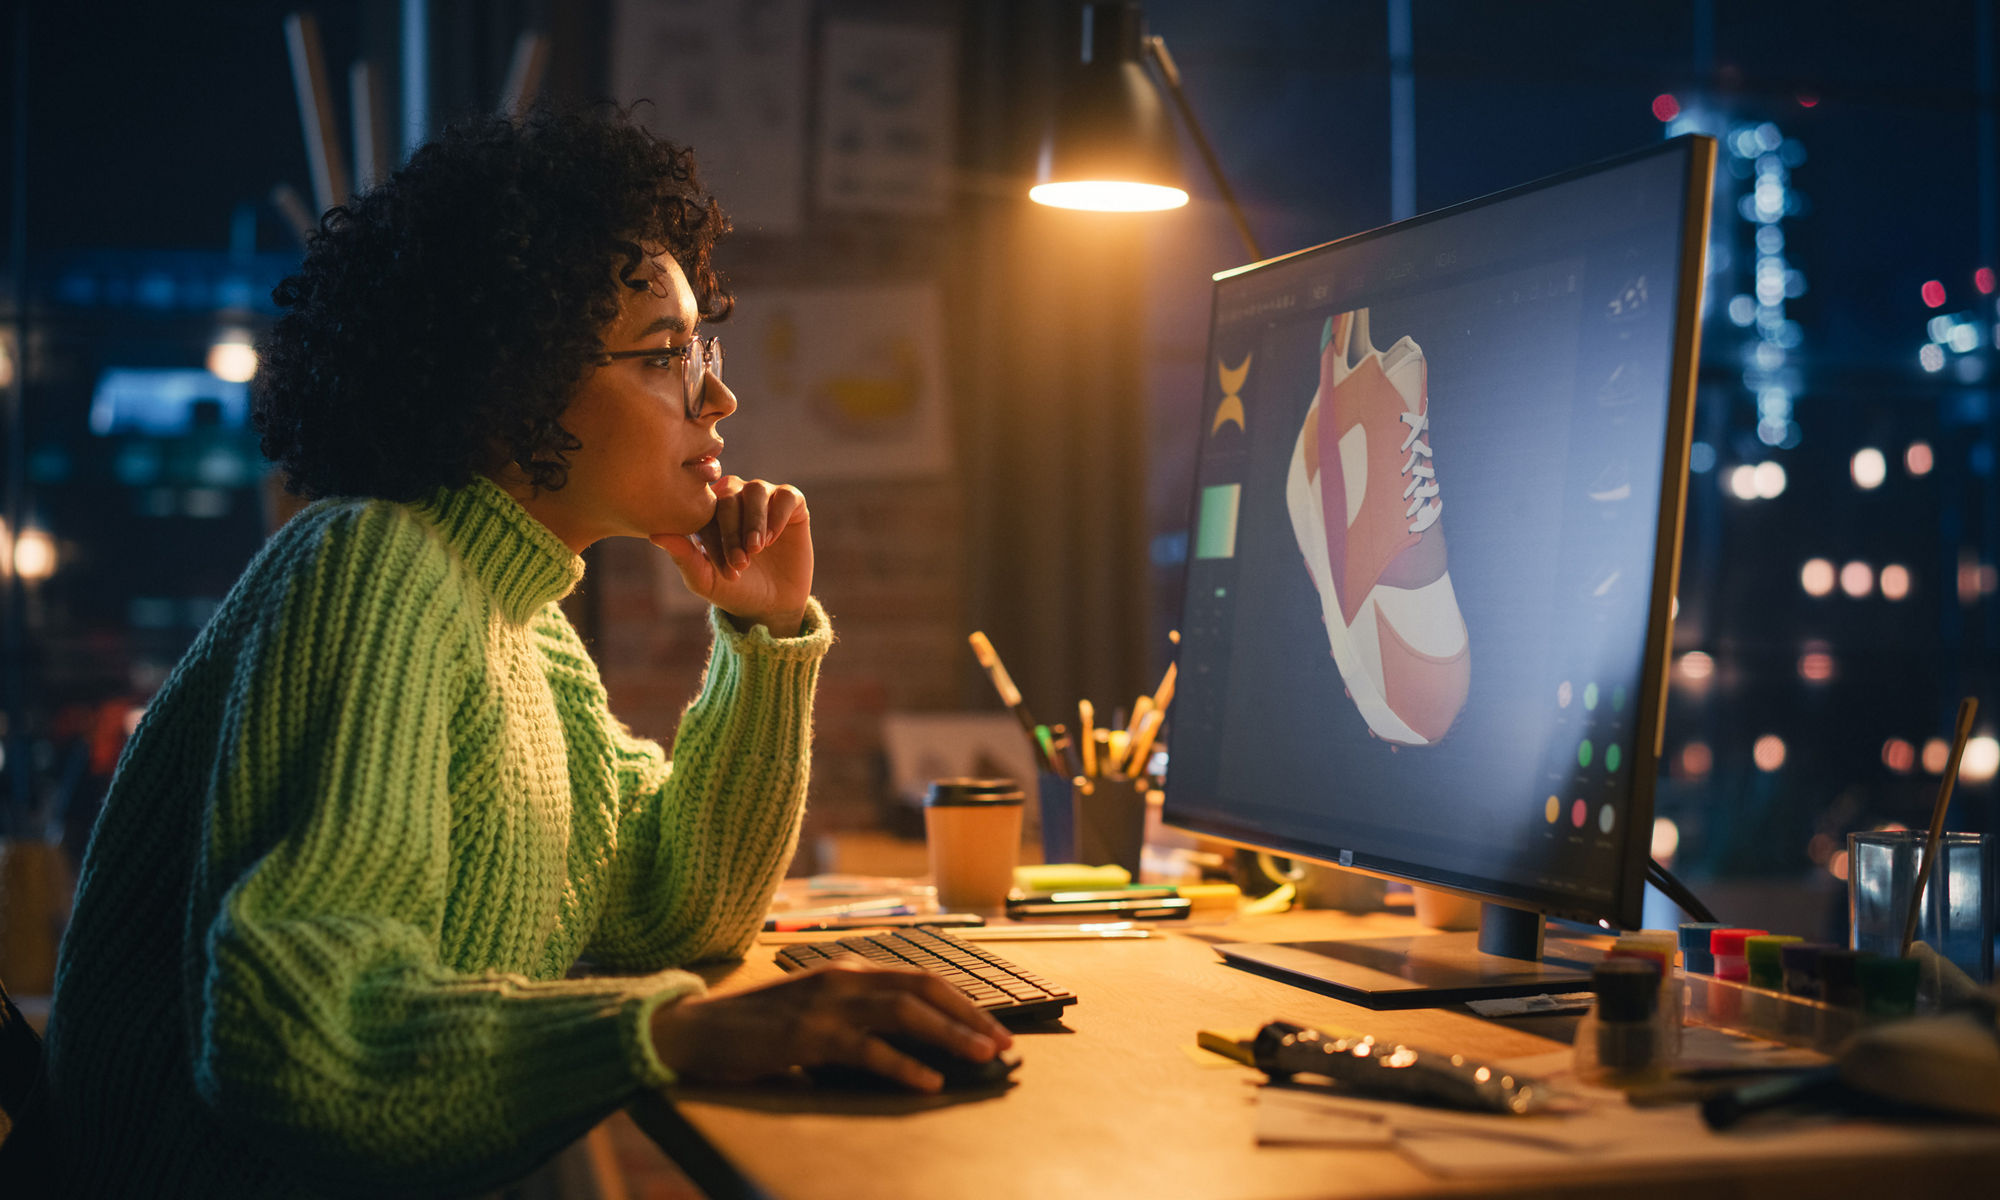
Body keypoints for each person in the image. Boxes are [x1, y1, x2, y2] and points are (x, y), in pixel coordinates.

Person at [42, 108, 1010, 1200]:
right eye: (663, 357)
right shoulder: (373, 568)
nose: (717, 396)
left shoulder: (521, 625)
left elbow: (672, 911)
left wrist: (767, 637)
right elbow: (305, 1043)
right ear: (510, 382)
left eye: (702, 349)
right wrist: (686, 1035)